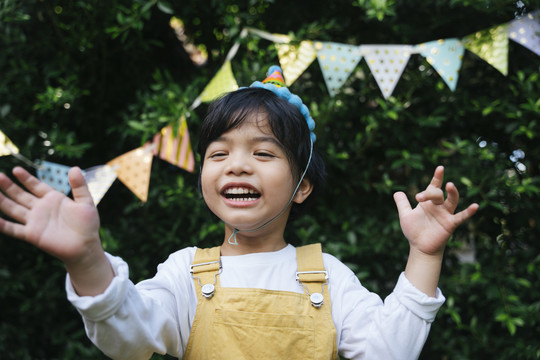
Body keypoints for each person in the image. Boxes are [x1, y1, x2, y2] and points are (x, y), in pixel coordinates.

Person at [0, 66, 478, 360]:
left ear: (302, 186)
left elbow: (388, 352)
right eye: (219, 153)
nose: (238, 165)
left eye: (264, 154)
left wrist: (423, 253)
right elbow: (128, 340)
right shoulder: (185, 272)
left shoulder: (329, 277)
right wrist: (86, 259)